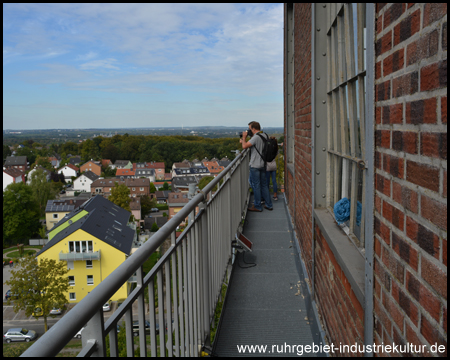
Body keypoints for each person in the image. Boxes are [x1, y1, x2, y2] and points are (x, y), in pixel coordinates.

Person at [240, 122, 273, 212]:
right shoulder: (264, 135)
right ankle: (269, 205)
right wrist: (246, 140)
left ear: (253, 129)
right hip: (263, 164)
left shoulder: (255, 137)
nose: (248, 131)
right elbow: (256, 145)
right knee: (263, 185)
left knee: (256, 185)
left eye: (249, 129)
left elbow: (244, 146)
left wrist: (243, 137)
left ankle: (258, 206)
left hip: (255, 165)